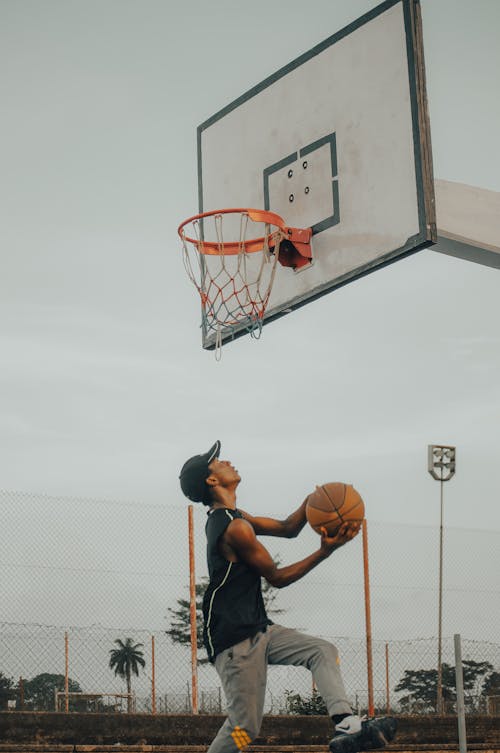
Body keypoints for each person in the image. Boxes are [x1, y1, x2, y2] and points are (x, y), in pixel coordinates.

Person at [179, 441, 396, 753]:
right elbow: (277, 578)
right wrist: (325, 551)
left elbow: (288, 528)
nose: (226, 461)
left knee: (322, 651)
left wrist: (314, 501)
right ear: (212, 481)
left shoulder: (236, 517)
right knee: (244, 728)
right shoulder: (233, 528)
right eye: (217, 462)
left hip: (258, 628)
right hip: (233, 641)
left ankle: (346, 724)